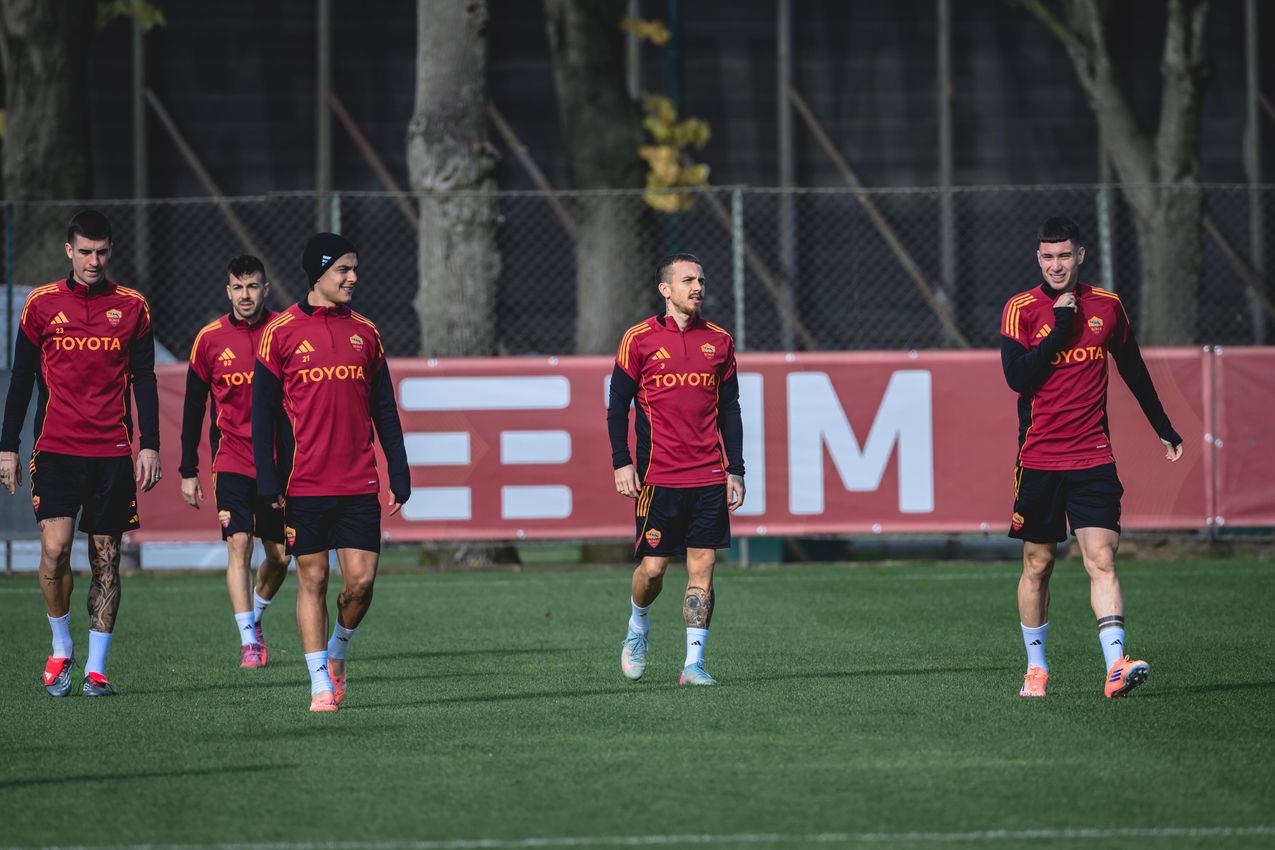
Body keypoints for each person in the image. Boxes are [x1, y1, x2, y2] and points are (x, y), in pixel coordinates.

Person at [1000, 216, 1183, 699]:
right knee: (1038, 563)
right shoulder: (1021, 310)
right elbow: (1018, 378)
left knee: (1101, 559)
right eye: (1047, 257)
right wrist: (1060, 327)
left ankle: (1115, 665)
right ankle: (1036, 668)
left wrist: (1163, 427)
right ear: (1038, 259)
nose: (1056, 265)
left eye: (1064, 255)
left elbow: (1134, 370)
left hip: (1092, 456)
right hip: (1039, 459)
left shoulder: (1107, 306)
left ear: (1080, 255)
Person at [0, 209, 161, 698]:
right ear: (69, 251)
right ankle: (61, 646)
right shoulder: (41, 304)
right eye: (85, 252)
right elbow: (21, 378)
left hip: (112, 453)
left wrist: (150, 444)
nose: (94, 261)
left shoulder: (132, 307)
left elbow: (145, 380)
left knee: (106, 561)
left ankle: (95, 669)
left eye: (102, 252)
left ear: (111, 252)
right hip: (56, 450)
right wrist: (7, 446)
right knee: (54, 552)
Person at [252, 233, 409, 712]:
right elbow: (262, 415)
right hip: (305, 483)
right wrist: (267, 480)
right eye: (343, 269)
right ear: (318, 273)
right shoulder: (280, 332)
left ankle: (338, 652)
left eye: (354, 268)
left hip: (359, 481)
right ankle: (319, 681)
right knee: (313, 578)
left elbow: (385, 408)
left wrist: (399, 469)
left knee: (360, 583)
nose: (353, 277)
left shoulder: (367, 332)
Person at [607, 253, 745, 686]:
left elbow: (730, 408)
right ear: (665, 290)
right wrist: (622, 461)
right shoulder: (639, 339)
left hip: (708, 476)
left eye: (700, 279)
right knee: (653, 570)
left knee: (703, 565)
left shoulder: (720, 341)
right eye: (687, 280)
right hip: (658, 477)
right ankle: (638, 626)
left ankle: (693, 664)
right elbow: (617, 406)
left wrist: (735, 468)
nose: (697, 287)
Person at [181, 255, 291, 669]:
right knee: (239, 543)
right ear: (228, 291)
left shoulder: (284, 331)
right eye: (238, 287)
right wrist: (188, 470)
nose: (246, 295)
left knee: (280, 558)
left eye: (253, 287)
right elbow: (193, 408)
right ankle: (249, 643)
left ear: (266, 289)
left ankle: (255, 615)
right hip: (231, 459)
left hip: (278, 465)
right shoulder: (209, 339)